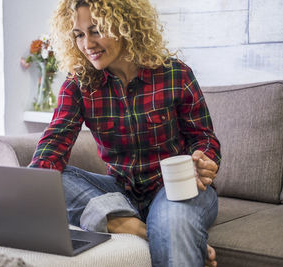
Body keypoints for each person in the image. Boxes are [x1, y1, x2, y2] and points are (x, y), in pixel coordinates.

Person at [29, 0, 221, 266]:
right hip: (122, 192)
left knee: (172, 218)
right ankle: (136, 226)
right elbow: (54, 143)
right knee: (50, 180)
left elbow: (203, 138)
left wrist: (204, 158)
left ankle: (131, 222)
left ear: (124, 25)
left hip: (176, 187)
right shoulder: (78, 86)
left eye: (96, 30)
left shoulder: (175, 74)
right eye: (79, 35)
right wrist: (33, 183)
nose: (87, 44)